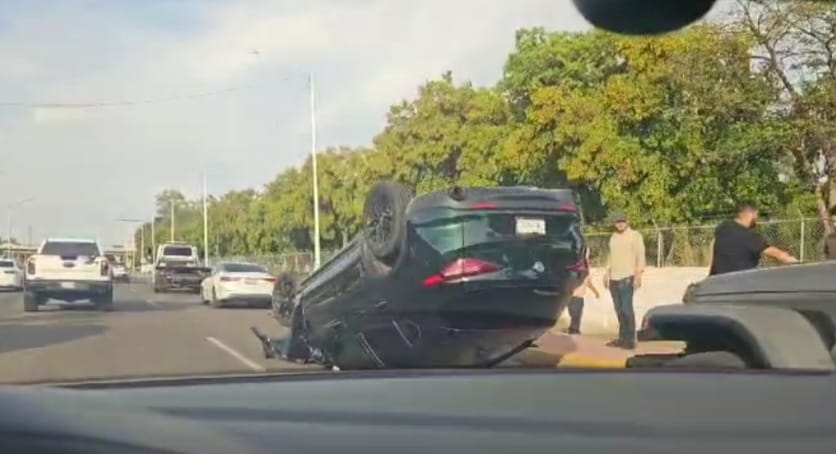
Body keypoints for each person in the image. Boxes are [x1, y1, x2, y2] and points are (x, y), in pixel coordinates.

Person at [708, 202, 798, 276]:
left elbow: (713, 245)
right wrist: (797, 263)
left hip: (717, 282)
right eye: (756, 215)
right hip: (740, 284)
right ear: (751, 215)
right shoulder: (751, 237)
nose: (757, 219)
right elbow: (779, 255)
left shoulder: (722, 228)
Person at [603, 212, 645, 350]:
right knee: (619, 310)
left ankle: (631, 339)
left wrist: (638, 276)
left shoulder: (635, 236)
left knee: (627, 309)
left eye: (622, 221)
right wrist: (606, 273)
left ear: (627, 221)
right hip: (613, 278)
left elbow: (640, 256)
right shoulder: (613, 237)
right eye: (617, 221)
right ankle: (622, 338)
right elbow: (610, 256)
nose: (620, 224)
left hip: (627, 277)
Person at [566, 249, 601, 335]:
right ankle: (573, 329)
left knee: (577, 314)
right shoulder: (577, 267)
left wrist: (595, 291)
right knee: (575, 314)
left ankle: (574, 329)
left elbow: (588, 282)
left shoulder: (584, 269)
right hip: (574, 295)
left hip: (578, 296)